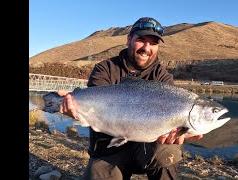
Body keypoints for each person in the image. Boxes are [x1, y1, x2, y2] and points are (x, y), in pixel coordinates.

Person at [58, 17, 203, 180]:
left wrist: (178, 131)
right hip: (108, 150)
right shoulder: (105, 69)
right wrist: (76, 110)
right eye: (141, 40)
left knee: (170, 150)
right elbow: (92, 107)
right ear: (129, 39)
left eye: (153, 43)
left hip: (147, 149)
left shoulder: (162, 77)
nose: (146, 48)